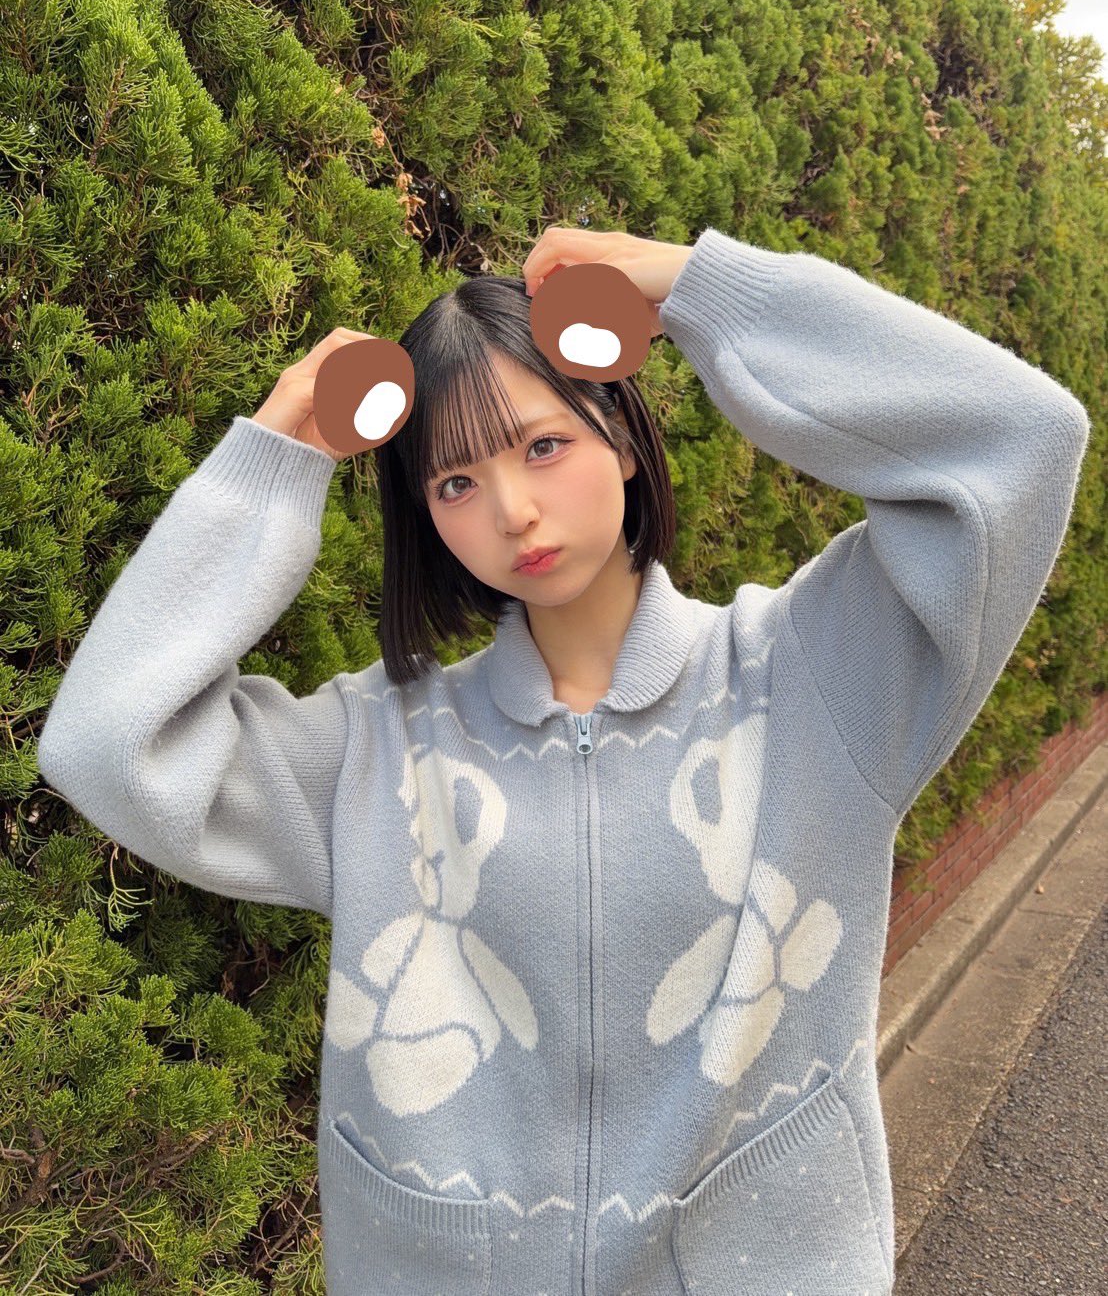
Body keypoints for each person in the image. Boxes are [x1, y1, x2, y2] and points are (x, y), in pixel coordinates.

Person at [37, 223, 1090, 1296]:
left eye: (542, 446)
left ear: (621, 436)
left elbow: (1020, 441)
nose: (513, 510)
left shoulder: (818, 678)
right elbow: (109, 742)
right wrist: (276, 455)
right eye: (455, 482)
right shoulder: (375, 751)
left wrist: (701, 291)